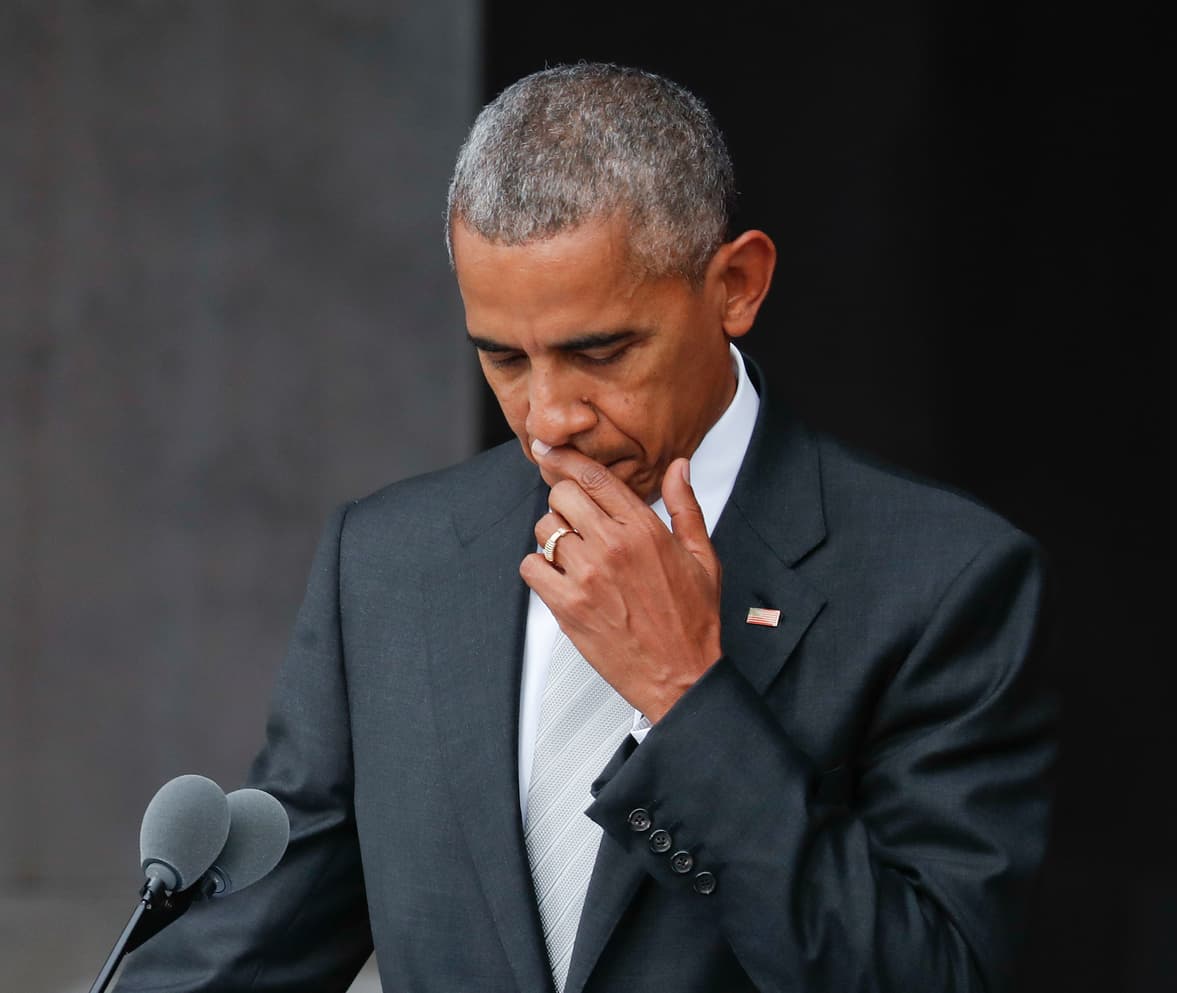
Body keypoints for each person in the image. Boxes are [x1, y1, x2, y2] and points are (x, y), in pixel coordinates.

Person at [117, 63, 1054, 993]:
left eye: (599, 352)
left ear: (737, 283)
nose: (549, 415)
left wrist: (685, 695)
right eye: (504, 358)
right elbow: (257, 943)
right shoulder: (389, 561)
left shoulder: (943, 578)